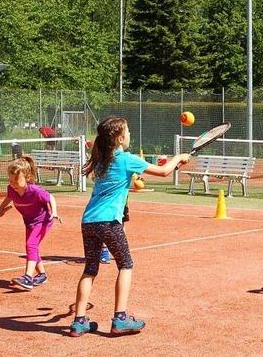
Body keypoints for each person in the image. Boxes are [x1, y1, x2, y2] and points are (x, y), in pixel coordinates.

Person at [70, 116, 191, 337]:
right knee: (125, 264)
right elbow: (163, 173)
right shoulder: (126, 159)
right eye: (127, 131)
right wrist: (178, 158)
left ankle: (79, 321)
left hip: (88, 221)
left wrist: (173, 163)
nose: (130, 135)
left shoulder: (100, 157)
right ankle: (120, 319)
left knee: (90, 269)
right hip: (109, 221)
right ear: (118, 138)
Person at [0, 156, 60, 290]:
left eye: (16, 180)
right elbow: (8, 198)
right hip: (29, 221)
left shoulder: (35, 191)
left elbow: (51, 198)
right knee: (32, 247)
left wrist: (54, 212)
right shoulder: (11, 189)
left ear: (27, 177)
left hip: (43, 221)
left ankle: (28, 278)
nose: (12, 183)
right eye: (10, 180)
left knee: (31, 244)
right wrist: (0, 209)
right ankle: (42, 275)